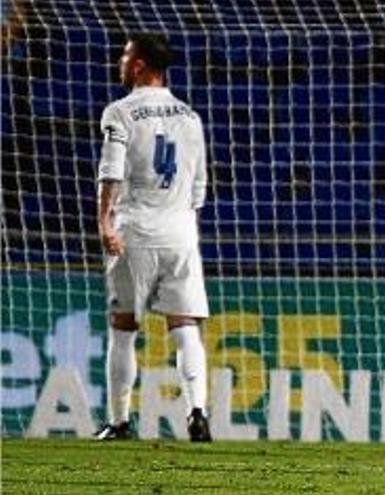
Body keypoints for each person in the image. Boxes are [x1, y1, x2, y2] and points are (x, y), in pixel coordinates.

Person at [94, 33, 212, 442]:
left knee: (123, 326)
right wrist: (186, 229)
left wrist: (105, 224)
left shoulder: (120, 112)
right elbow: (199, 185)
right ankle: (198, 412)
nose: (121, 61)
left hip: (136, 230)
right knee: (185, 325)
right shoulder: (191, 117)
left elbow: (110, 171)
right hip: (181, 232)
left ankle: (120, 421)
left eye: (126, 55)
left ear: (140, 65)